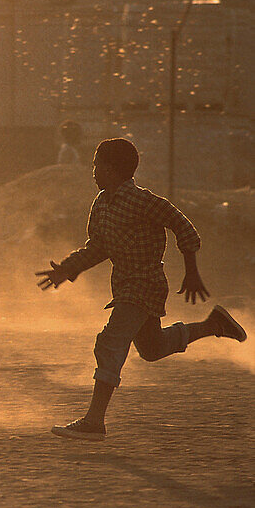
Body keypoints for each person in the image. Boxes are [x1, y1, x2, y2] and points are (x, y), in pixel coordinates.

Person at [36, 137, 246, 440]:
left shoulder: (143, 200)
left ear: (111, 169)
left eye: (96, 165)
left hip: (144, 284)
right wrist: (68, 269)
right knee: (152, 349)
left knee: (110, 342)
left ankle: (94, 422)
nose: (93, 171)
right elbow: (98, 247)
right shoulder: (102, 204)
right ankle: (214, 324)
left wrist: (192, 273)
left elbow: (183, 226)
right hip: (125, 286)